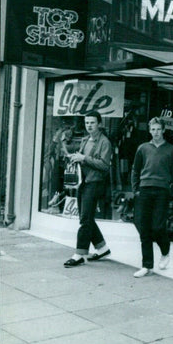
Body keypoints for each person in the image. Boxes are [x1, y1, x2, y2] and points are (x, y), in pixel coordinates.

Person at [130, 117, 173, 278]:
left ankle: (165, 251)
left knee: (158, 227)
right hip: (144, 190)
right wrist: (135, 190)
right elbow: (135, 170)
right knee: (143, 228)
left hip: (162, 191)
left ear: (163, 130)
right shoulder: (143, 148)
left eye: (158, 129)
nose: (156, 132)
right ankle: (147, 266)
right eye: (153, 129)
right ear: (149, 130)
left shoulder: (171, 150)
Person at [63, 111, 113, 267]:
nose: (89, 125)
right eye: (87, 123)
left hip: (95, 183)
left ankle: (79, 254)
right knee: (86, 218)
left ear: (99, 123)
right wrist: (76, 157)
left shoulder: (105, 142)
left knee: (85, 219)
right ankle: (102, 247)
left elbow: (105, 165)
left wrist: (84, 158)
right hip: (83, 182)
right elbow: (84, 159)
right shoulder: (85, 140)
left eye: (92, 122)